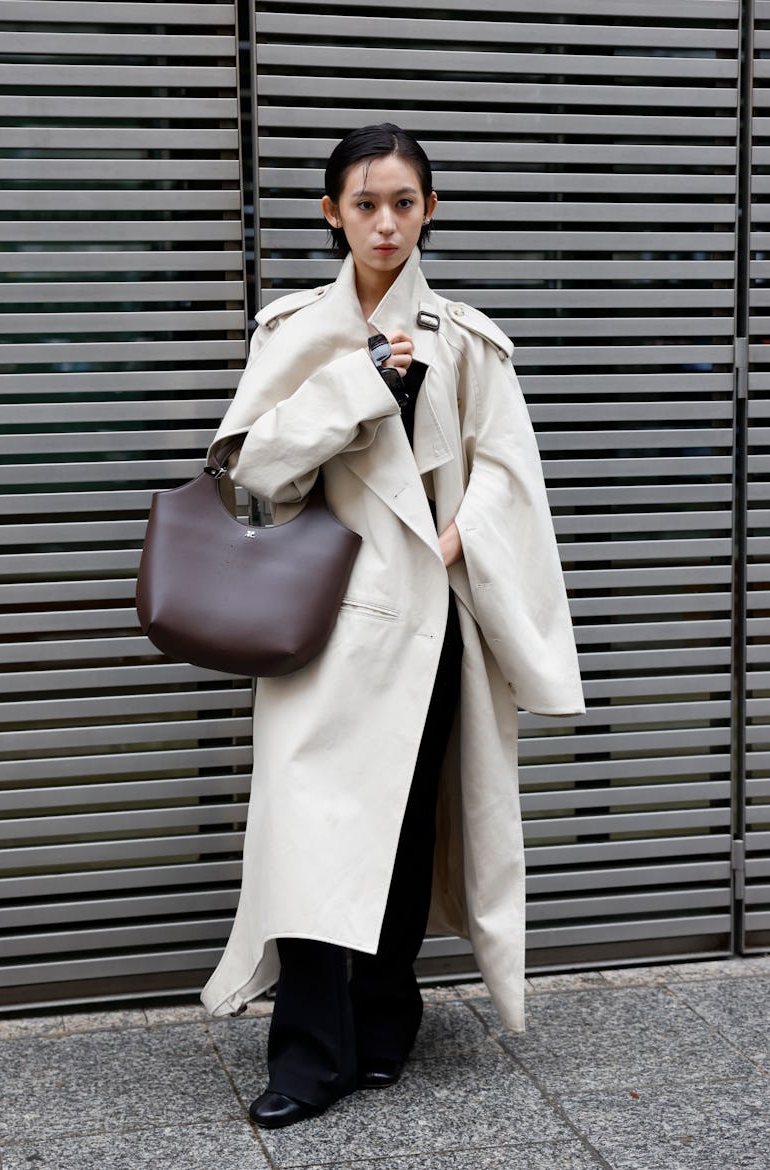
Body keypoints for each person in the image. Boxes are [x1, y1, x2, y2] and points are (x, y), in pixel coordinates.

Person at [201, 124, 584, 1128]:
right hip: (324, 627)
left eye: (403, 202)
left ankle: (384, 1021)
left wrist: (447, 547)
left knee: (407, 834)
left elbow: (510, 480)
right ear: (331, 212)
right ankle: (306, 1054)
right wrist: (361, 383)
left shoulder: (467, 338)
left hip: (425, 622)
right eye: (365, 203)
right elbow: (252, 477)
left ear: (429, 210)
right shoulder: (291, 332)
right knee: (313, 834)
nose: (384, 222)